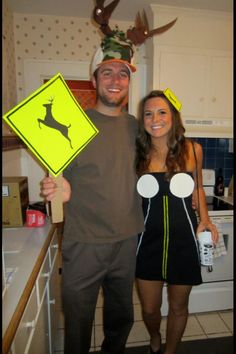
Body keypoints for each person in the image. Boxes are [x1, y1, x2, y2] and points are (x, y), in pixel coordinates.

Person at [40, 30, 144, 354]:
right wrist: (55, 190)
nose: (115, 80)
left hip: (126, 241)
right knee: (77, 320)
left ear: (129, 81)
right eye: (107, 72)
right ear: (94, 79)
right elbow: (53, 184)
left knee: (121, 317)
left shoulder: (138, 129)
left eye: (123, 74)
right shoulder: (73, 125)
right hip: (83, 243)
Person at [135, 90, 219, 354]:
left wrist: (205, 220)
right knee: (149, 309)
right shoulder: (137, 154)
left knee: (178, 306)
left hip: (183, 241)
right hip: (146, 242)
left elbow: (198, 190)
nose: (155, 118)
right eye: (148, 113)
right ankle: (154, 335)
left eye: (162, 112)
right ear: (142, 120)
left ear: (173, 117)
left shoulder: (193, 150)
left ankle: (170, 351)